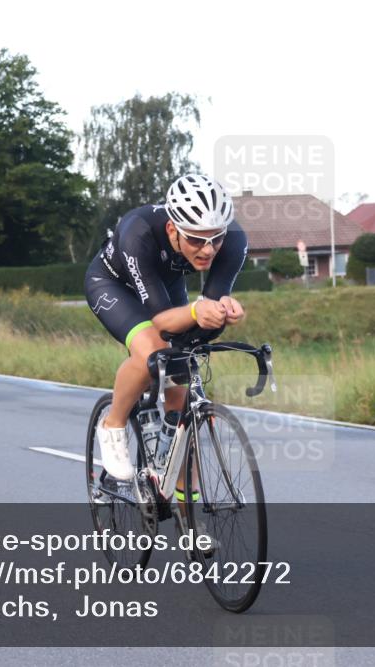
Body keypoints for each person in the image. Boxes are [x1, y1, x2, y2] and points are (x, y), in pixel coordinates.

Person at [84, 174, 248, 490]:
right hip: (114, 285)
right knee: (153, 350)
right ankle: (113, 424)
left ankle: (184, 510)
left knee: (183, 369)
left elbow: (204, 318)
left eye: (216, 238)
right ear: (173, 229)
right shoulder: (139, 231)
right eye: (197, 240)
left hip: (164, 286)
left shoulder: (235, 241)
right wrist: (195, 311)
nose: (209, 249)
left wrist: (222, 312)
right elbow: (161, 320)